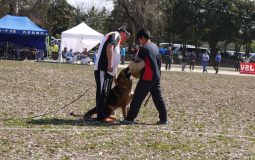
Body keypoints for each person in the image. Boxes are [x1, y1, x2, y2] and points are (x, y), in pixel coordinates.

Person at [121, 29, 168, 125]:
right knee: (158, 98)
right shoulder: (155, 46)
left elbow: (136, 62)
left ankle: (130, 119)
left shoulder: (144, 49)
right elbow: (159, 62)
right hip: (156, 76)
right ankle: (164, 119)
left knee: (137, 97)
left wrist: (126, 70)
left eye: (139, 40)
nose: (140, 42)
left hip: (148, 76)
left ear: (142, 38)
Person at [94, 27, 131, 123]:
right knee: (102, 92)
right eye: (126, 38)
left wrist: (114, 74)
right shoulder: (115, 35)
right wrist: (110, 64)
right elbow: (109, 47)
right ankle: (101, 116)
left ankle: (104, 114)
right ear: (124, 34)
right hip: (104, 69)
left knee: (106, 92)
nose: (125, 41)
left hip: (109, 72)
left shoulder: (117, 41)